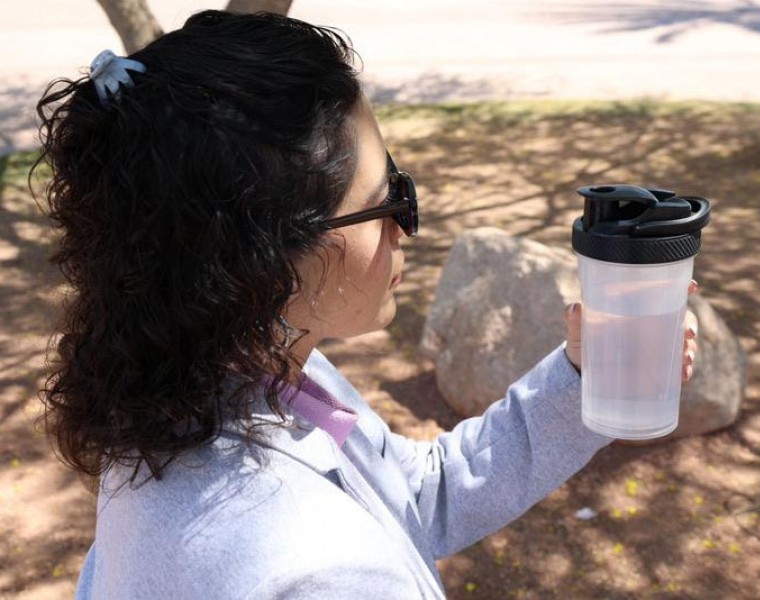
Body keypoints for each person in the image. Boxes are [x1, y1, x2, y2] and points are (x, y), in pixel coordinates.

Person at [35, 10, 699, 599]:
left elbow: (412, 496)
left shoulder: (207, 382)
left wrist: (583, 378)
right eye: (390, 199)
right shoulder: (324, 573)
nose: (407, 226)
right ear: (272, 255)